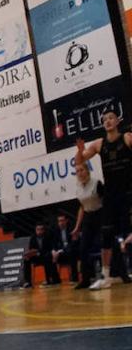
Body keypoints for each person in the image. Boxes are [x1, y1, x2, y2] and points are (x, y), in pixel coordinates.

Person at [75, 108, 132, 289]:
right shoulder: (99, 144)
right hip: (111, 195)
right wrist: (80, 150)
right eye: (104, 119)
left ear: (117, 121)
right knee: (107, 236)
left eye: (110, 118)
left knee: (128, 234)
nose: (107, 121)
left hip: (128, 193)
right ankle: (106, 276)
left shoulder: (127, 138)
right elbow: (79, 161)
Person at [72, 159, 103, 290]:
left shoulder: (97, 183)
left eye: (82, 170)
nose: (80, 173)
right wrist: (77, 227)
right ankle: (86, 279)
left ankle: (121, 274)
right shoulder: (78, 187)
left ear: (87, 171)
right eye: (77, 171)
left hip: (101, 214)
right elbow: (82, 208)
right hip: (88, 218)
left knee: (107, 243)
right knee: (83, 248)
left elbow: (105, 201)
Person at [55, 213, 79, 284]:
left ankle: (74, 278)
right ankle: (55, 280)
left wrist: (62, 250)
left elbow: (74, 243)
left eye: (62, 221)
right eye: (59, 221)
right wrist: (54, 251)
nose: (60, 223)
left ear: (66, 221)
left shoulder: (72, 228)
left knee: (71, 253)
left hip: (72, 249)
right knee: (50, 256)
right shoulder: (56, 231)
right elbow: (54, 243)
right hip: (61, 251)